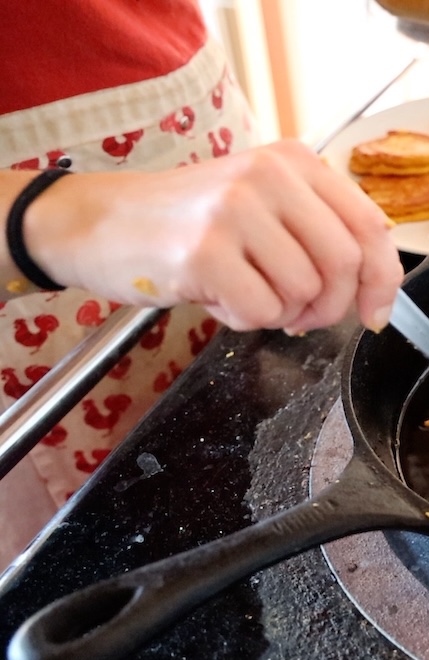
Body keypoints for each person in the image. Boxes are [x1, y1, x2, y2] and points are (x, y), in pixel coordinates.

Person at [0, 1, 405, 567]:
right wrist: (57, 219)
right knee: (108, 554)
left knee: (233, 474)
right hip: (38, 293)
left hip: (196, 133)